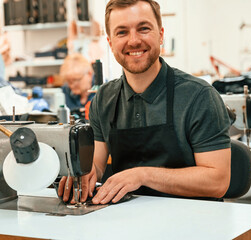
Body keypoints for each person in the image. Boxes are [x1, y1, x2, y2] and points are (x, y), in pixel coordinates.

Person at [58, 0, 231, 204]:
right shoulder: (104, 99)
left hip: (192, 223)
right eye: (122, 32)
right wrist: (81, 173)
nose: (133, 41)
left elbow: (218, 182)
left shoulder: (199, 96)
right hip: (127, 221)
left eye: (143, 29)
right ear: (110, 42)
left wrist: (142, 175)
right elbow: (95, 165)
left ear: (160, 35)